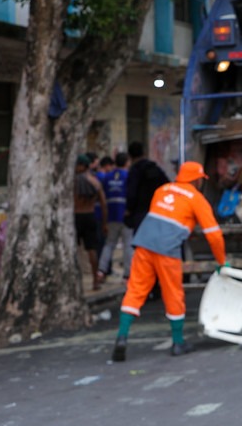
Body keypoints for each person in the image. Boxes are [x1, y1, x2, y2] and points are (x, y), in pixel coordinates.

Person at [112, 161, 228, 362]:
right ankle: (177, 342)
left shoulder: (162, 190)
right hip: (167, 251)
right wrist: (221, 262)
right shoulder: (197, 199)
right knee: (173, 293)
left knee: (135, 290)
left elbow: (165, 215)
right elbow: (214, 235)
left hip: (143, 244)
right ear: (196, 180)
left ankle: (121, 338)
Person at [97, 152, 133, 284]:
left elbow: (103, 197)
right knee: (128, 245)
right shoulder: (128, 176)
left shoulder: (107, 177)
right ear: (127, 162)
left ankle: (101, 270)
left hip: (111, 215)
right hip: (126, 216)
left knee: (109, 244)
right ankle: (127, 275)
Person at [73, 154, 108, 291]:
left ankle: (76, 282)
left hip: (76, 216)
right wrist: (104, 223)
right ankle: (95, 281)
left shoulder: (72, 182)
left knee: (74, 251)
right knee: (92, 250)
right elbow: (104, 204)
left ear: (82, 166)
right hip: (90, 216)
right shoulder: (95, 182)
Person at [124, 141, 169, 231]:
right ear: (144, 153)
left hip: (141, 213)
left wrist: (128, 209)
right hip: (158, 211)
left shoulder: (135, 171)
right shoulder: (155, 168)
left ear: (130, 156)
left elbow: (132, 192)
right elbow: (167, 185)